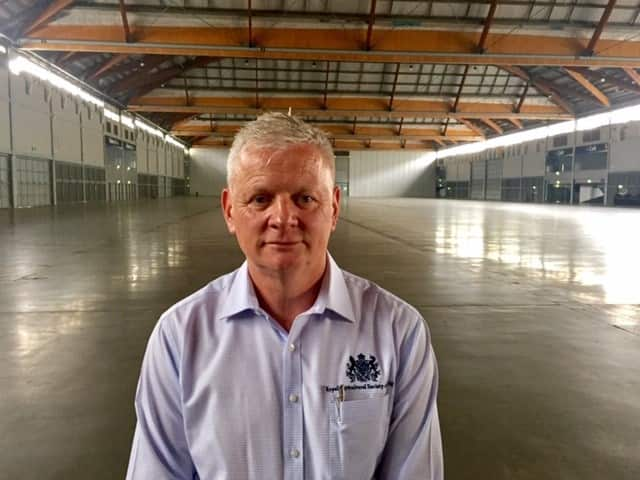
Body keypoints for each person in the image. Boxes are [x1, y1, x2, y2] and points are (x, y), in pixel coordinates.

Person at [126, 112, 443, 480]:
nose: (283, 218)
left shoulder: (399, 334)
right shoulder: (179, 338)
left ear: (334, 207)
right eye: (260, 199)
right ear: (230, 211)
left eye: (305, 198)